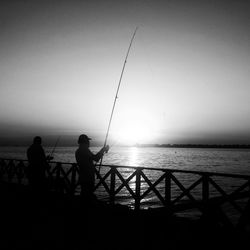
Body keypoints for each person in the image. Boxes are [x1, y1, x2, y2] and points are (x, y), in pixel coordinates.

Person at [75, 134, 109, 202]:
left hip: (83, 176)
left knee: (84, 194)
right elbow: (96, 158)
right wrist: (103, 149)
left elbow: (93, 158)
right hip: (87, 177)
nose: (89, 143)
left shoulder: (78, 151)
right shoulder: (84, 150)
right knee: (87, 195)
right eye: (87, 141)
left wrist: (102, 150)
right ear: (84, 142)